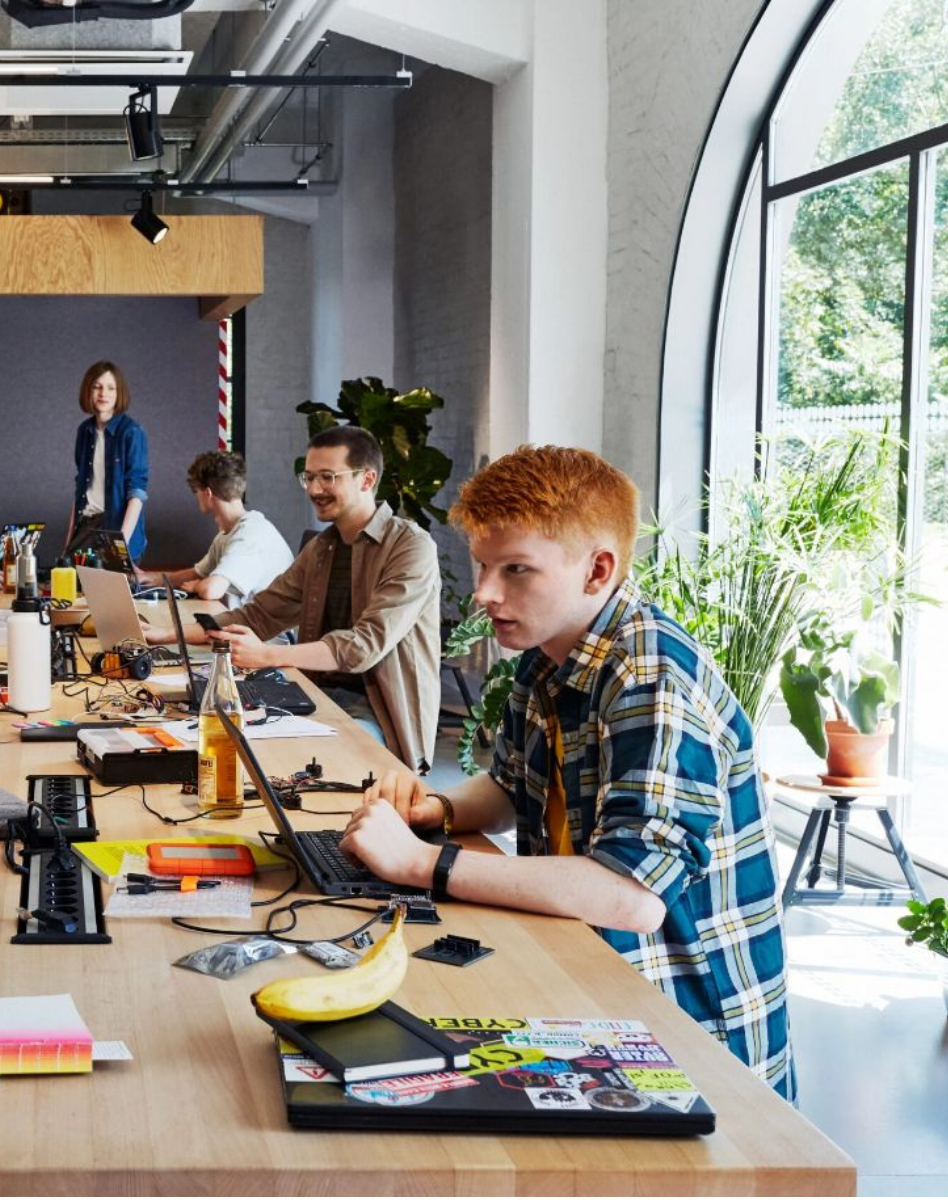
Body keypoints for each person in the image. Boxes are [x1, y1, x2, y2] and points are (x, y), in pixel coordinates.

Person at [339, 445, 794, 1098]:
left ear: (597, 570)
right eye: (483, 566)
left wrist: (420, 864)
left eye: (516, 570)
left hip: (692, 1033)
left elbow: (631, 898)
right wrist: (434, 813)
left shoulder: (649, 677)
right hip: (593, 975)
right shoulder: (550, 651)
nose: (486, 594)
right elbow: (511, 787)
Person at [147, 425, 442, 771]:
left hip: (377, 715)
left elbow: (362, 646)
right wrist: (163, 636)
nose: (315, 489)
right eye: (310, 477)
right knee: (204, 728)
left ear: (366, 479)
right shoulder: (321, 548)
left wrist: (268, 655)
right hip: (313, 695)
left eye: (328, 477)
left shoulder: (411, 546)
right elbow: (258, 614)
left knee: (281, 758)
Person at [146, 450, 293, 607]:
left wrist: (196, 586)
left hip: (271, 631)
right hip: (248, 623)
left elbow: (211, 590)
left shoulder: (249, 535)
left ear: (208, 493)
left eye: (195, 491)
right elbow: (198, 573)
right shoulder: (228, 532)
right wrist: (154, 579)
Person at [63, 360, 149, 563]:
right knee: (65, 580)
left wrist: (120, 544)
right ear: (88, 391)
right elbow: (81, 488)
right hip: (87, 524)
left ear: (120, 393)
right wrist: (68, 543)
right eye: (97, 387)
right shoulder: (84, 431)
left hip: (117, 529)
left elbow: (136, 492)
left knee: (106, 591)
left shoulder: (132, 432)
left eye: (111, 388)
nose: (104, 394)